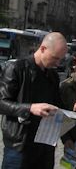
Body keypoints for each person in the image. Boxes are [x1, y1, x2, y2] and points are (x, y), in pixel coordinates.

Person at [0, 32, 68, 169]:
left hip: (45, 145)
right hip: (20, 145)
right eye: (55, 58)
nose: (57, 63)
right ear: (43, 49)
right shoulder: (16, 68)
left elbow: (58, 106)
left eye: (60, 59)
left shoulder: (53, 76)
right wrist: (30, 108)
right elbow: (2, 103)